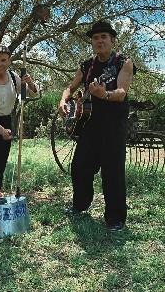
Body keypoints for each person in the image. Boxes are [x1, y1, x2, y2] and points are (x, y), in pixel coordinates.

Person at [58, 20, 135, 232]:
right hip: (90, 124)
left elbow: (121, 92)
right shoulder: (86, 65)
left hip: (114, 123)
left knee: (113, 172)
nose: (99, 41)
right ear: (91, 42)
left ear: (112, 40)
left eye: (103, 37)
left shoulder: (123, 62)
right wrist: (64, 101)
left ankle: (115, 218)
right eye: (95, 37)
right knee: (80, 166)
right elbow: (70, 88)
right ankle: (80, 205)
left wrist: (105, 94)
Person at [0, 45, 39, 218]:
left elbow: (31, 95)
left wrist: (30, 84)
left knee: (0, 163)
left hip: (6, 120)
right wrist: (0, 130)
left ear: (9, 61)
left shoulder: (14, 77)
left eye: (3, 60)